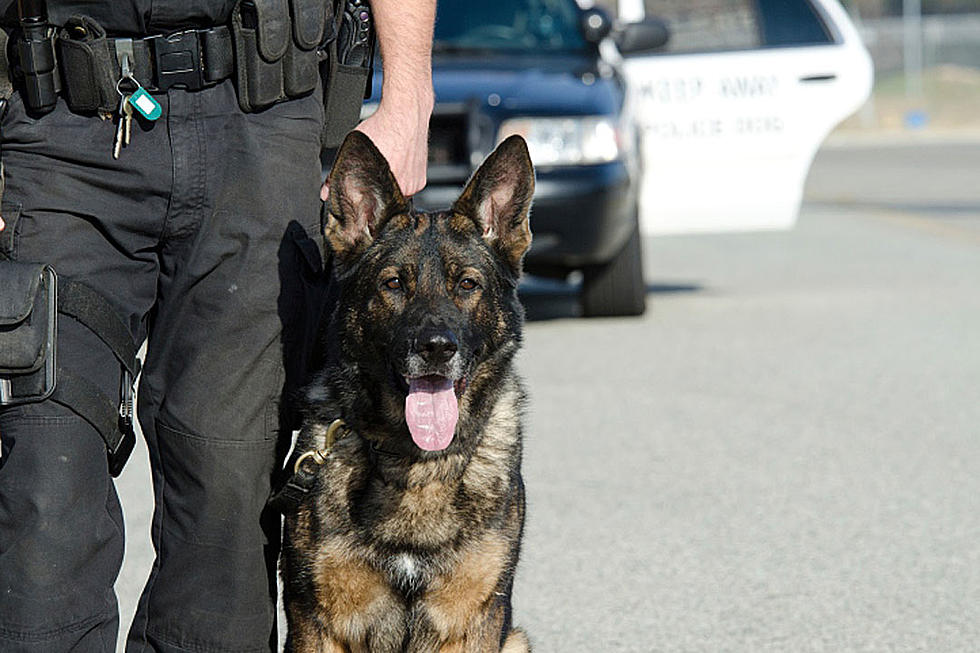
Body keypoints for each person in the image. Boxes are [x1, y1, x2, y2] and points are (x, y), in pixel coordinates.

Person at [0, 0, 434, 651]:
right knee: (41, 480)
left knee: (227, 499)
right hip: (55, 129)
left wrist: (409, 95)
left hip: (260, 119)